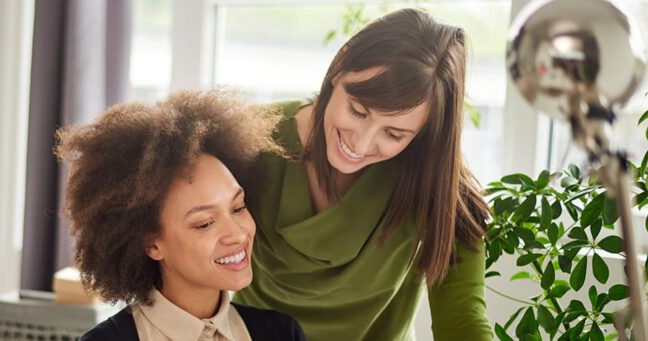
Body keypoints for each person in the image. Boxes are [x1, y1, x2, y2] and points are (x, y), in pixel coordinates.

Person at [232, 8, 492, 340]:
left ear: (423, 135)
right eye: (357, 110)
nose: (361, 142)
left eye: (394, 135)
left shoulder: (438, 183)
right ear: (340, 65)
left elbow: (462, 321)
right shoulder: (248, 139)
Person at [58, 89, 306, 340]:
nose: (237, 234)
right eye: (205, 223)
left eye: (238, 208)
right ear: (152, 243)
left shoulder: (282, 333)